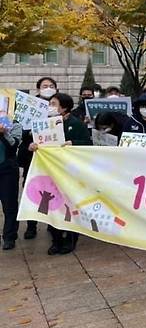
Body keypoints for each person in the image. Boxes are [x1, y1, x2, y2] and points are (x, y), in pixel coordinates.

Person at [29, 93, 91, 255]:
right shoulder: (43, 125)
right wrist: (33, 146)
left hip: (70, 173)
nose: (50, 106)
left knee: (69, 207)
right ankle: (56, 240)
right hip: (49, 172)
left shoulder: (76, 124)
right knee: (53, 206)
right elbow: (35, 144)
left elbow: (88, 144)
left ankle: (70, 239)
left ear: (64, 107)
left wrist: (73, 143)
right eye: (50, 103)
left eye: (54, 103)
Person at [17, 76, 58, 241]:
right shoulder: (30, 108)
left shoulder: (59, 106)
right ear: (38, 89)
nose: (48, 88)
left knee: (53, 191)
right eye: (44, 86)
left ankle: (52, 223)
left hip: (54, 159)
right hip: (32, 157)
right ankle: (31, 226)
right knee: (32, 189)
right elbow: (20, 130)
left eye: (51, 85)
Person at [0, 120, 22, 250]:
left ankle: (9, 237)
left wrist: (4, 133)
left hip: (7, 171)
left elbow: (14, 146)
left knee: (9, 205)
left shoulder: (15, 125)